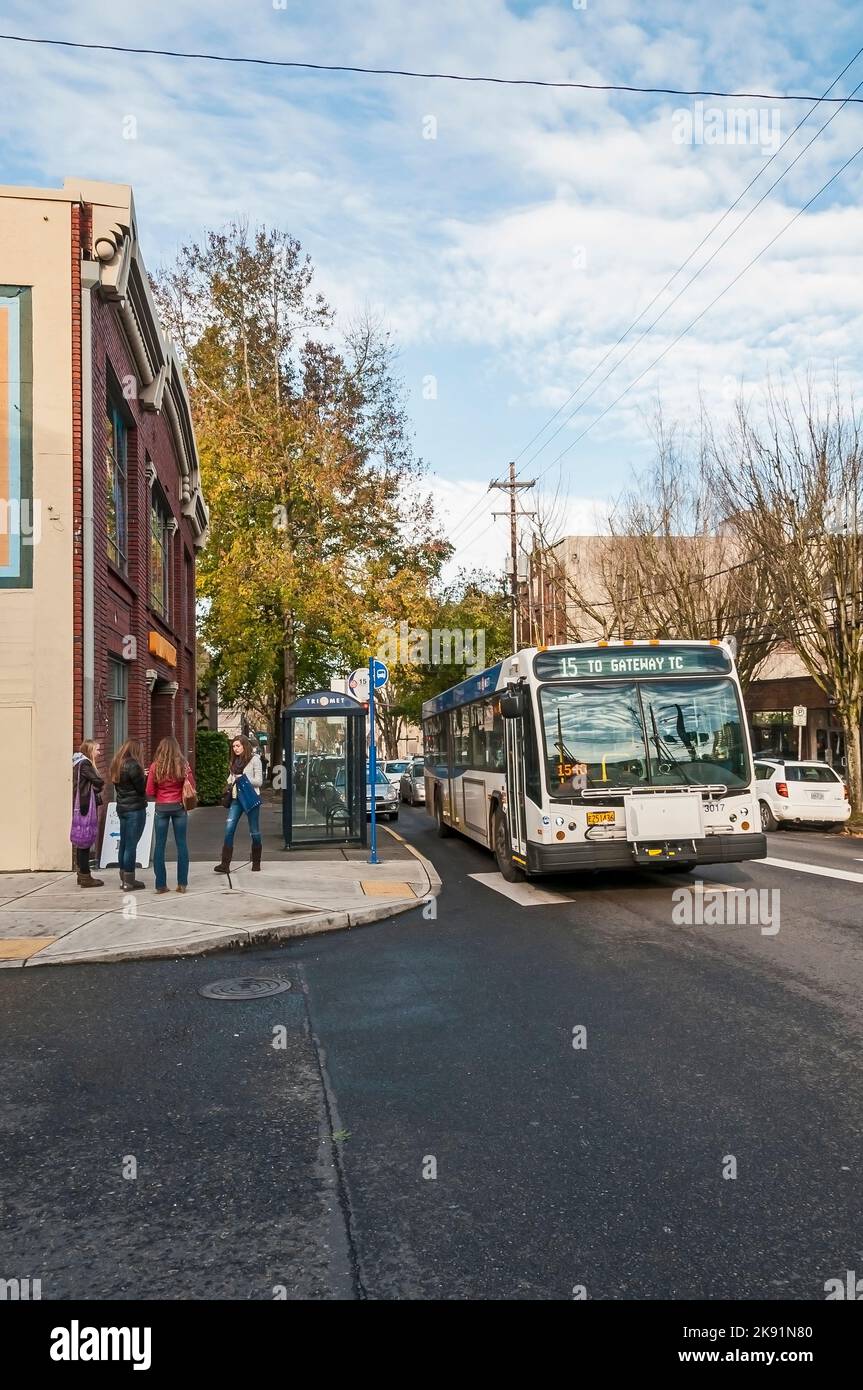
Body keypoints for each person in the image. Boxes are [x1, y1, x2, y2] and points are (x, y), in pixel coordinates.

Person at [146, 736, 194, 894]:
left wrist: (161, 795)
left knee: (159, 846)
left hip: (161, 808)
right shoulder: (183, 765)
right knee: (182, 844)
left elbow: (149, 791)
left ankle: (160, 885)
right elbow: (192, 786)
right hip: (179, 808)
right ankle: (182, 884)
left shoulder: (155, 766)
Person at [215, 735, 263, 874]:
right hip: (236, 799)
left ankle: (256, 862)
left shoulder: (255, 760)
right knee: (229, 828)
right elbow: (231, 778)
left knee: (254, 831)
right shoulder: (234, 761)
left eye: (238, 746)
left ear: (244, 746)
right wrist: (230, 781)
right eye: (234, 746)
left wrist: (244, 778)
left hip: (250, 798)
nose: (235, 749)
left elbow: (259, 781)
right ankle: (225, 864)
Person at [110, 738, 147, 891]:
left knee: (124, 844)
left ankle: (123, 878)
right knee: (131, 845)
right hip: (135, 809)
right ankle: (130, 881)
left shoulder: (117, 763)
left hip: (122, 807)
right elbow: (140, 789)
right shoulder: (134, 765)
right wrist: (144, 777)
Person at [71, 740, 105, 887]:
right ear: (90, 750)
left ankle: (81, 874)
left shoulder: (78, 762)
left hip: (80, 804)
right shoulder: (85, 764)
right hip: (85, 805)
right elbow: (98, 781)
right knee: (84, 840)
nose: (99, 752)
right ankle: (85, 876)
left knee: (81, 840)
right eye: (97, 750)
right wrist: (96, 788)